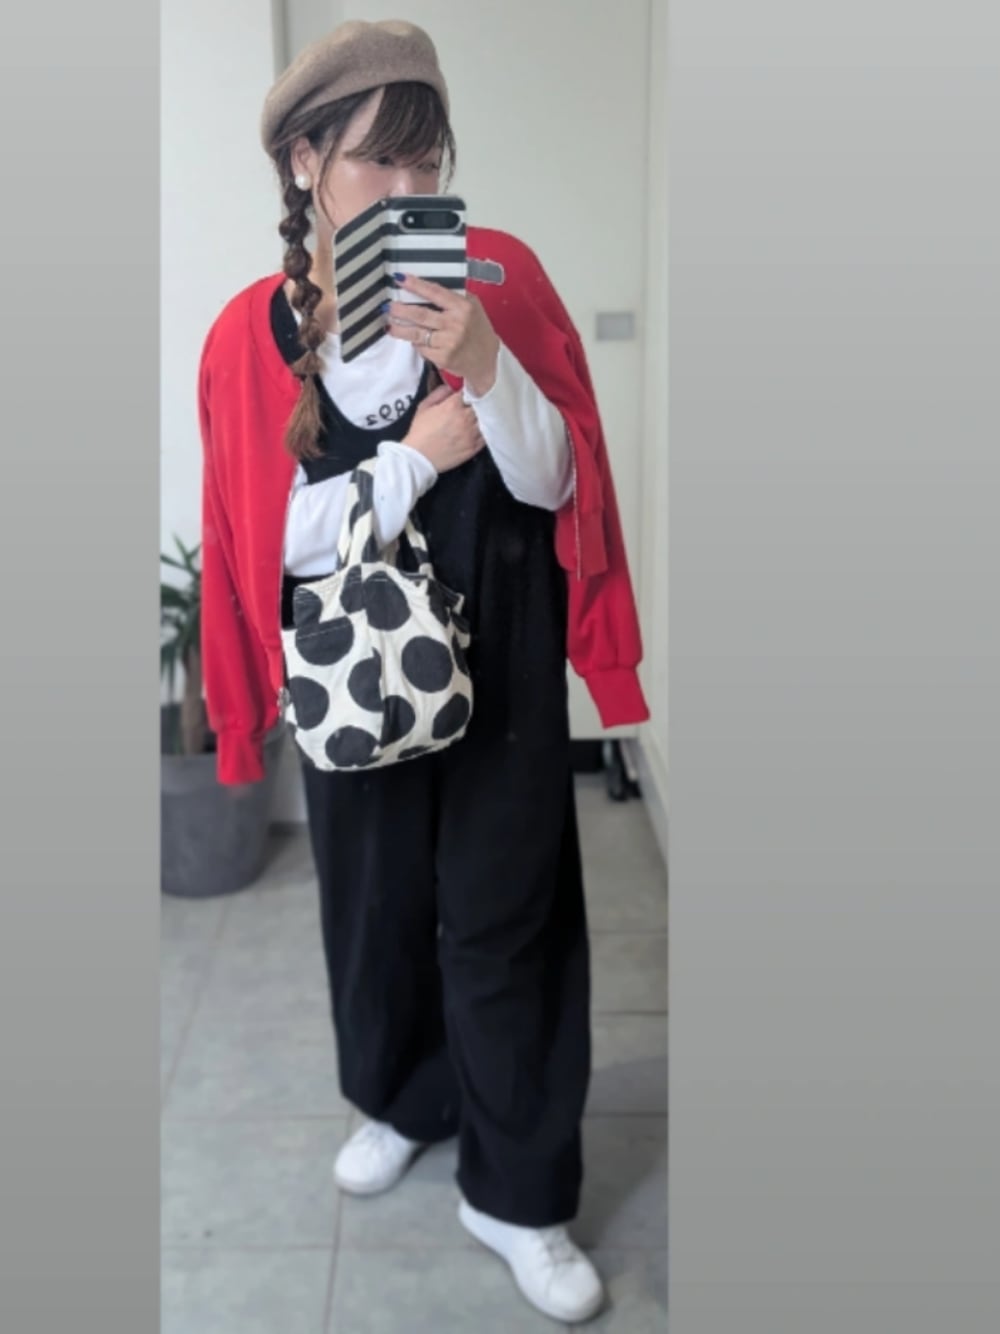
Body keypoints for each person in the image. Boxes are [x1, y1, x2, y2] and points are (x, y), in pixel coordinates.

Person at [198, 18, 649, 1326]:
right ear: (304, 165)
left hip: (501, 667)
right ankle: (402, 1102)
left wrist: (488, 366)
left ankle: (519, 1196)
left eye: (426, 160)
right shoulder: (249, 336)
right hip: (357, 674)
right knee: (375, 910)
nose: (407, 190)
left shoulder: (504, 280)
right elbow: (268, 542)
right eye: (373, 162)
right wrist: (410, 461)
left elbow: (562, 485)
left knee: (508, 917)